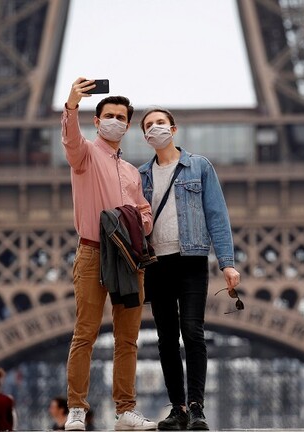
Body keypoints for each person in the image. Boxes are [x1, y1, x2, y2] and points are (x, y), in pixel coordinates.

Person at [61, 77, 157, 431]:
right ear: (97, 120)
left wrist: (139, 220)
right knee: (85, 333)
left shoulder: (131, 172)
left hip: (127, 257)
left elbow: (145, 210)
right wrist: (72, 104)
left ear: (128, 125)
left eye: (121, 117)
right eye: (109, 116)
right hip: (92, 252)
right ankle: (77, 408)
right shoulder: (85, 154)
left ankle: (126, 410)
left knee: (127, 338)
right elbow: (70, 139)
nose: (115, 121)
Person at [137, 107, 241, 430]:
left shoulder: (200, 167)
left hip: (192, 259)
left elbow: (217, 216)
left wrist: (227, 263)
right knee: (166, 338)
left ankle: (197, 406)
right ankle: (178, 408)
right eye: (149, 125)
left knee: (192, 332)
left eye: (161, 123)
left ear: (174, 128)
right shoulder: (140, 176)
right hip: (157, 263)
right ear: (144, 136)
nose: (156, 128)